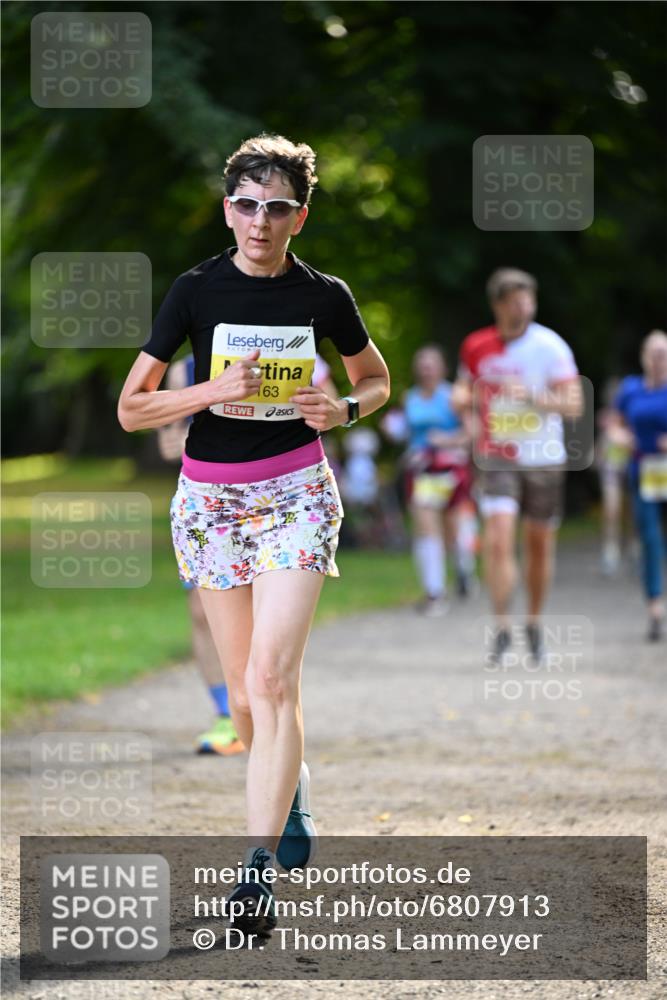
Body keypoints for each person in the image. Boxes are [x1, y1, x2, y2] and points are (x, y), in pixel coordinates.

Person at [117, 133, 390, 936]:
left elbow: (375, 379)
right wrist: (209, 391)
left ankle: (255, 873)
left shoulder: (323, 296)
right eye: (246, 205)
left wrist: (342, 408)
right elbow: (132, 408)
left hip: (297, 494)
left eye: (276, 207)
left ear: (299, 216)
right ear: (227, 209)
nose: (259, 221)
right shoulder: (194, 290)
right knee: (242, 696)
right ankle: (289, 790)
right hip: (210, 503)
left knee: (272, 680)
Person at [453, 268, 583, 663]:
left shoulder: (551, 346)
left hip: (543, 457)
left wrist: (532, 397)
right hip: (497, 456)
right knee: (498, 539)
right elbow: (463, 391)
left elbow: (574, 404)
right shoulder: (477, 345)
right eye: (514, 302)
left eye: (528, 301)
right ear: (498, 305)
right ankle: (502, 627)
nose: (523, 308)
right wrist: (464, 407)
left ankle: (534, 622)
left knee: (538, 545)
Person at [157, 354, 244, 755]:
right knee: (201, 611)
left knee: (255, 610)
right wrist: (175, 437)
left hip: (268, 497)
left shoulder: (275, 346)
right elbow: (168, 439)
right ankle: (226, 714)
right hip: (204, 502)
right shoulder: (183, 370)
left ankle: (257, 706)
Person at [384, 345, 476, 614]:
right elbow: (405, 431)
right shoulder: (409, 397)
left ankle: (463, 568)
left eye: (431, 364)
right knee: (425, 524)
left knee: (453, 529)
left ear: (442, 368)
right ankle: (434, 593)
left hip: (450, 468)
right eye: (422, 365)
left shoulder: (454, 396)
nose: (426, 370)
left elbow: (472, 432)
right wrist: (393, 430)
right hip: (421, 469)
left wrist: (446, 440)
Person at [611, 330, 667, 641]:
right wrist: (622, 438)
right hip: (644, 471)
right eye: (654, 353)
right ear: (644, 357)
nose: (659, 359)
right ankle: (655, 607)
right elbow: (614, 425)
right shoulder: (630, 390)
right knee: (649, 538)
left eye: (664, 353)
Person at [595, 377, 632, 577]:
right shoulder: (605, 417)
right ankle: (611, 550)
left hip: (629, 466)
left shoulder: (632, 414)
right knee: (612, 510)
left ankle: (634, 547)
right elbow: (602, 442)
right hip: (610, 468)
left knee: (632, 511)